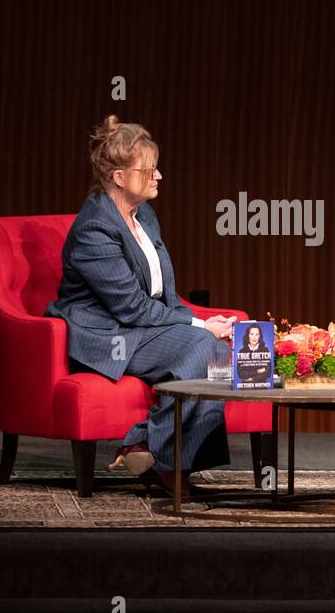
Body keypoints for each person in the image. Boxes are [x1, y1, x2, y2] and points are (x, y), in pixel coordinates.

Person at [46, 115, 236, 497]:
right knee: (204, 346)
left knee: (219, 353)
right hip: (107, 334)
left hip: (139, 327)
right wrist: (198, 328)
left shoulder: (143, 215)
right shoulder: (94, 229)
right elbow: (131, 308)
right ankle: (163, 461)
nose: (159, 176)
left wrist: (197, 320)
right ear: (119, 177)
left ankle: (149, 447)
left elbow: (163, 293)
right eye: (149, 170)